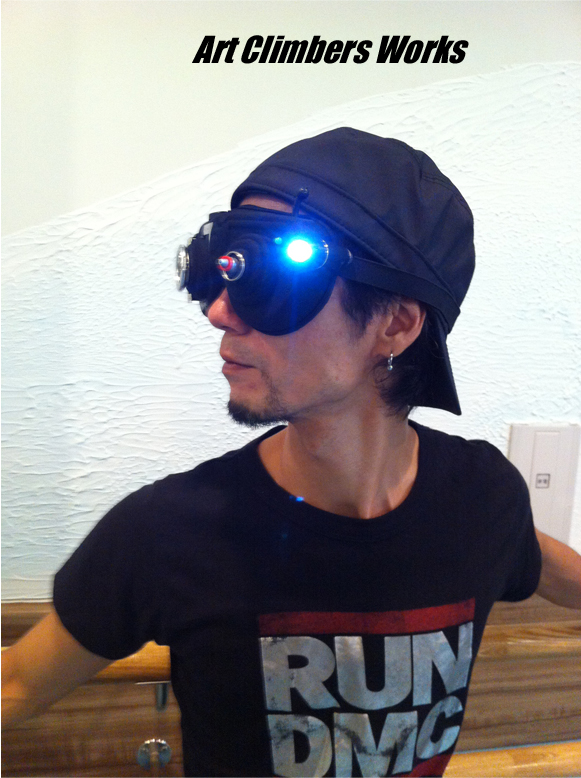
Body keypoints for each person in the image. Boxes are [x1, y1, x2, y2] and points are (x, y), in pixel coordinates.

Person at [2, 128, 580, 778]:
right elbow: (17, 683)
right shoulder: (169, 531)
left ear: (395, 323)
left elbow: (546, 566)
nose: (221, 313)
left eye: (275, 277)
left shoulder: (483, 498)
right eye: (225, 271)